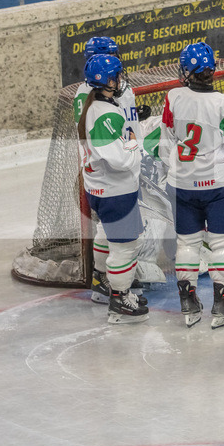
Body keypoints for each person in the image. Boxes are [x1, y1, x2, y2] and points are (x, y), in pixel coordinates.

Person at [159, 42, 224, 329]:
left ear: (187, 71)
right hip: (219, 185)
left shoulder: (172, 97)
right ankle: (222, 303)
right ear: (213, 70)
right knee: (221, 244)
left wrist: (172, 172)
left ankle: (187, 298)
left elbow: (166, 141)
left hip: (183, 183)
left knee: (188, 242)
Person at [74, 36, 148, 305]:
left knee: (111, 230)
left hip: (102, 176)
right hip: (113, 178)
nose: (119, 64)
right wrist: (133, 149)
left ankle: (105, 277)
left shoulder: (100, 96)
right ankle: (118, 289)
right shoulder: (96, 104)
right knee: (125, 243)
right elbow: (115, 152)